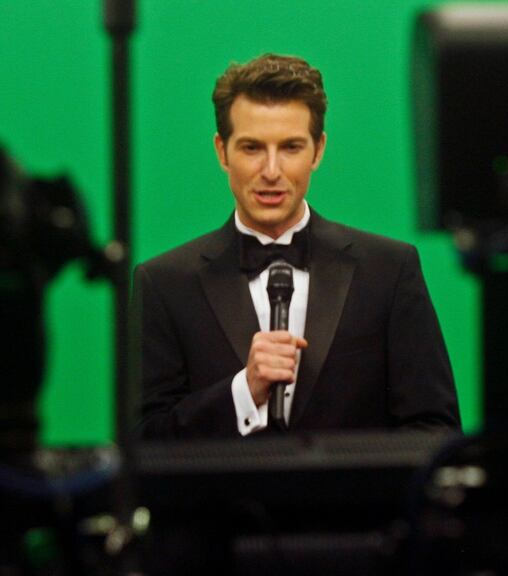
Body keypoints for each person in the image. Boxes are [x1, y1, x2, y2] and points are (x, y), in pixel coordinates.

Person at [134, 53, 460, 439]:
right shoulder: (164, 284)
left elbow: (435, 430)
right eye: (252, 148)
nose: (271, 171)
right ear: (222, 151)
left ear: (318, 150)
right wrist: (243, 392)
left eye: (290, 147)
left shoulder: (389, 270)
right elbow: (143, 444)